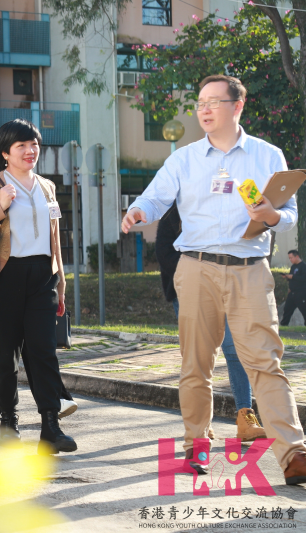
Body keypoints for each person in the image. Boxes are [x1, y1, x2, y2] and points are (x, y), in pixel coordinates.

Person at [122, 74, 306, 485]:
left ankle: (293, 453)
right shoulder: (184, 159)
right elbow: (155, 197)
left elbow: (289, 211)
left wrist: (272, 217)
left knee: (265, 362)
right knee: (196, 362)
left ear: (237, 106)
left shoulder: (267, 154)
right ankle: (195, 444)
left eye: (213, 102)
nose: (203, 110)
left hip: (250, 270)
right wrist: (138, 211)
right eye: (200, 102)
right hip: (197, 267)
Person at [0, 119, 77, 454]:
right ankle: (9, 422)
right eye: (22, 146)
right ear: (5, 153)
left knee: (43, 351)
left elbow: (54, 239)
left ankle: (50, 427)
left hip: (42, 275)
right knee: (5, 352)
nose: (30, 151)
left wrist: (61, 283)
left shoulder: (46, 187)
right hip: (6, 276)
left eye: (34, 145)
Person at [156, 203, 265, 442]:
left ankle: (245, 417)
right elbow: (164, 253)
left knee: (234, 350)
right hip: (190, 291)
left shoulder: (220, 208)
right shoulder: (173, 215)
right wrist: (199, 272)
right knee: (198, 358)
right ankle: (201, 424)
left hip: (228, 287)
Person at [280, 250, 306, 326]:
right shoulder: (293, 266)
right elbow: (292, 278)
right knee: (287, 309)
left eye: (291, 258)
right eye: (289, 258)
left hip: (301, 293)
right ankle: (284, 325)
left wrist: (293, 277)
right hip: (292, 293)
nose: (290, 259)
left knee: (304, 310)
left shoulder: (303, 266)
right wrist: (287, 277)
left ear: (297, 256)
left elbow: (303, 278)